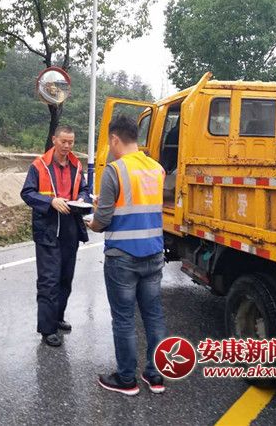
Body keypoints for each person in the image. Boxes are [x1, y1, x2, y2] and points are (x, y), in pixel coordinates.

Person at [86, 114, 167, 396]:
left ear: (114, 139)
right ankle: (155, 376)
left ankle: (126, 379)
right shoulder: (157, 169)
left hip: (122, 256)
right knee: (154, 316)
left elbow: (103, 220)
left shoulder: (114, 170)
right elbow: (140, 203)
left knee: (124, 318)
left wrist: (92, 222)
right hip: (154, 253)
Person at [21, 125, 91, 347]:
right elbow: (27, 193)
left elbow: (84, 189)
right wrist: (50, 201)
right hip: (48, 229)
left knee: (65, 279)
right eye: (63, 141)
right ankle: (47, 329)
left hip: (70, 228)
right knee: (49, 281)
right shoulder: (39, 165)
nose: (67, 146)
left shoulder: (76, 165)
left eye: (71, 142)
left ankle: (58, 317)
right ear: (54, 140)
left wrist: (82, 198)